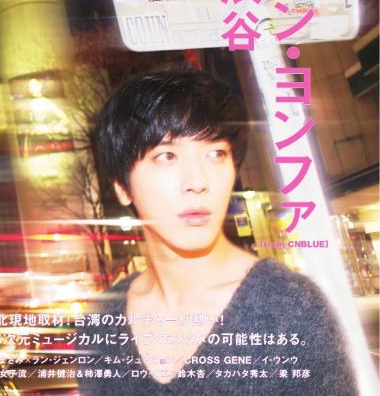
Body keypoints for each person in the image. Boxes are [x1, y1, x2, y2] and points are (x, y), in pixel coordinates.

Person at [78, 67, 358, 395]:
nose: (198, 181)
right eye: (166, 156)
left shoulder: (292, 309)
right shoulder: (100, 324)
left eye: (216, 154)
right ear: (122, 187)